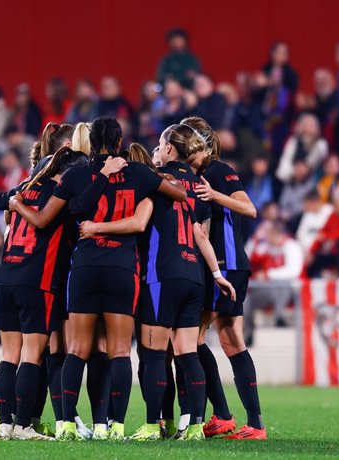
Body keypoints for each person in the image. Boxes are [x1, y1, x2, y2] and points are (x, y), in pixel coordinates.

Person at [8, 117, 186, 441]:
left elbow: (71, 209)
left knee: (76, 349)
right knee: (118, 351)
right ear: (119, 141)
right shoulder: (137, 173)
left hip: (85, 266)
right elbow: (179, 195)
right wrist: (152, 181)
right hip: (122, 268)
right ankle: (114, 426)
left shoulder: (77, 174)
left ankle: (64, 424)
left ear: (91, 140)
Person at [80, 127, 235, 441]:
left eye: (161, 146)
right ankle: (193, 427)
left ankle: (153, 424)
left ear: (169, 149)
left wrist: (96, 227)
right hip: (194, 273)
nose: (158, 150)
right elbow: (199, 233)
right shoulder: (195, 183)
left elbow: (138, 222)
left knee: (153, 355)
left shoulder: (154, 180)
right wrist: (217, 276)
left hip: (161, 274)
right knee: (187, 353)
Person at [0, 148, 87, 440]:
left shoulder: (25, 188)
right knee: (32, 355)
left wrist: (12, 203)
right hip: (37, 281)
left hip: (5, 276)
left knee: (9, 355)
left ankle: (5, 423)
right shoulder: (61, 194)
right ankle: (23, 425)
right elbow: (50, 223)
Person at [181, 116, 267, 440]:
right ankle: (251, 423)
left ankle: (224, 415)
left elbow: (249, 208)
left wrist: (215, 195)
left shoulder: (219, 171)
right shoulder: (197, 174)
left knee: (193, 337)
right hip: (223, 264)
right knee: (231, 342)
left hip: (226, 262)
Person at [246, 221, 303, 343]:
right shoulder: (265, 246)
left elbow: (293, 271)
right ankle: (247, 332)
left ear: (278, 234)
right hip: (267, 290)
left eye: (270, 235)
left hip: (292, 291)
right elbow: (246, 257)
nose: (267, 237)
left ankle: (280, 318)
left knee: (281, 285)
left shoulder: (291, 246)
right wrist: (254, 239)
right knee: (245, 295)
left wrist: (268, 275)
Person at [276, 113, 328, 183]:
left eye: (311, 125)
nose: (308, 128)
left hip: (314, 181)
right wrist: (294, 171)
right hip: (292, 180)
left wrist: (305, 167)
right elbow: (285, 161)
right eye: (306, 125)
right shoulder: (293, 141)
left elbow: (314, 161)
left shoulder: (321, 144)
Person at [296, 190, 333, 256]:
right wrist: (304, 251)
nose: (305, 208)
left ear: (314, 203)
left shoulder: (330, 211)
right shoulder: (307, 215)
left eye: (307, 205)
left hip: (324, 250)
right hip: (305, 252)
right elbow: (299, 236)